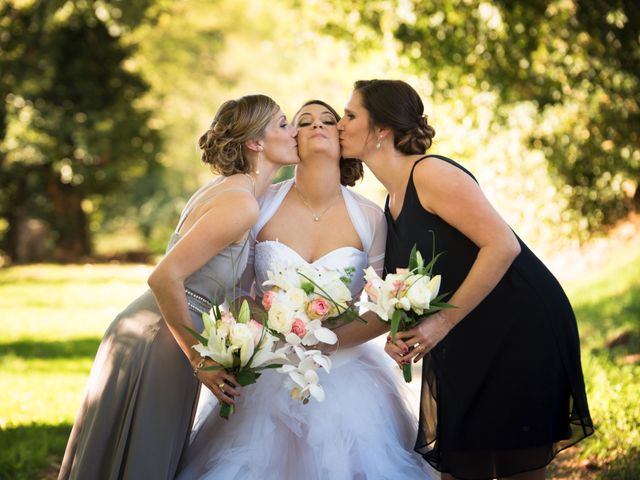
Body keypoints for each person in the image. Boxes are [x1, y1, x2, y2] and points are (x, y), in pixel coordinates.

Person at [336, 79, 594, 480]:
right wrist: (400, 331)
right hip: (465, 343)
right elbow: (408, 289)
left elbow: (502, 246)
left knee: (516, 469)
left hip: (519, 329)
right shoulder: (390, 202)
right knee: (461, 468)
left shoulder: (431, 173)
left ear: (381, 129)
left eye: (350, 115)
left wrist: (440, 323)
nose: (339, 123)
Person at [175, 100, 438, 480]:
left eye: (329, 120)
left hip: (346, 373)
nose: (317, 125)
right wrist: (275, 322)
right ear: (292, 138)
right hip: (268, 370)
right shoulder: (260, 204)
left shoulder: (370, 216)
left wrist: (329, 341)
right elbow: (237, 290)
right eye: (304, 121)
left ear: (342, 138)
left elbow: (386, 304)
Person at [58, 94, 299, 480]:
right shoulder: (240, 203)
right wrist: (200, 359)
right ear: (256, 142)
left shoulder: (231, 190)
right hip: (163, 336)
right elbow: (163, 277)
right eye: (284, 124)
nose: (295, 132)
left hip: (162, 331)